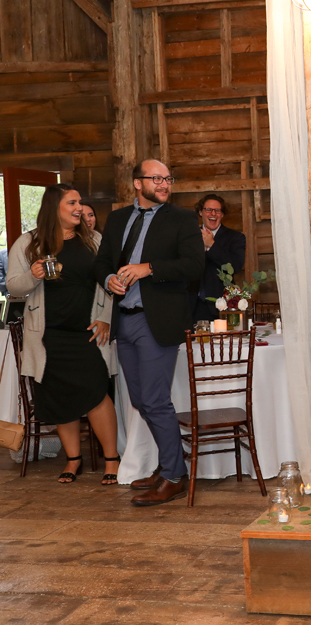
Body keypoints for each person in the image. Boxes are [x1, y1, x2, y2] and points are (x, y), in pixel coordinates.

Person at [94, 159, 205, 506]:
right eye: (156, 178)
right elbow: (102, 262)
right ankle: (169, 465)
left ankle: (174, 476)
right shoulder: (118, 218)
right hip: (123, 319)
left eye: (168, 178)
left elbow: (194, 266)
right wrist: (108, 279)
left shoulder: (182, 219)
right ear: (138, 183)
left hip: (157, 321)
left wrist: (149, 268)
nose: (164, 184)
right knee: (141, 401)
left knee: (155, 400)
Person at [6, 184, 120, 483]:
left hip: (88, 332)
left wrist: (106, 318)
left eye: (80, 202)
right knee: (61, 396)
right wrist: (32, 275)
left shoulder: (93, 240)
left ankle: (112, 459)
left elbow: (110, 282)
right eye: (72, 203)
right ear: (54, 207)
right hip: (49, 336)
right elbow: (14, 286)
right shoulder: (29, 243)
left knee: (97, 393)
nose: (79, 208)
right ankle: (73, 460)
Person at [190, 194, 246, 322]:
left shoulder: (235, 237)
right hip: (191, 306)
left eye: (217, 210)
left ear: (222, 214)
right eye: (208, 209)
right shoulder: (189, 236)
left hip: (220, 306)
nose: (213, 213)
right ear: (200, 212)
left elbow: (236, 266)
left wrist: (212, 245)